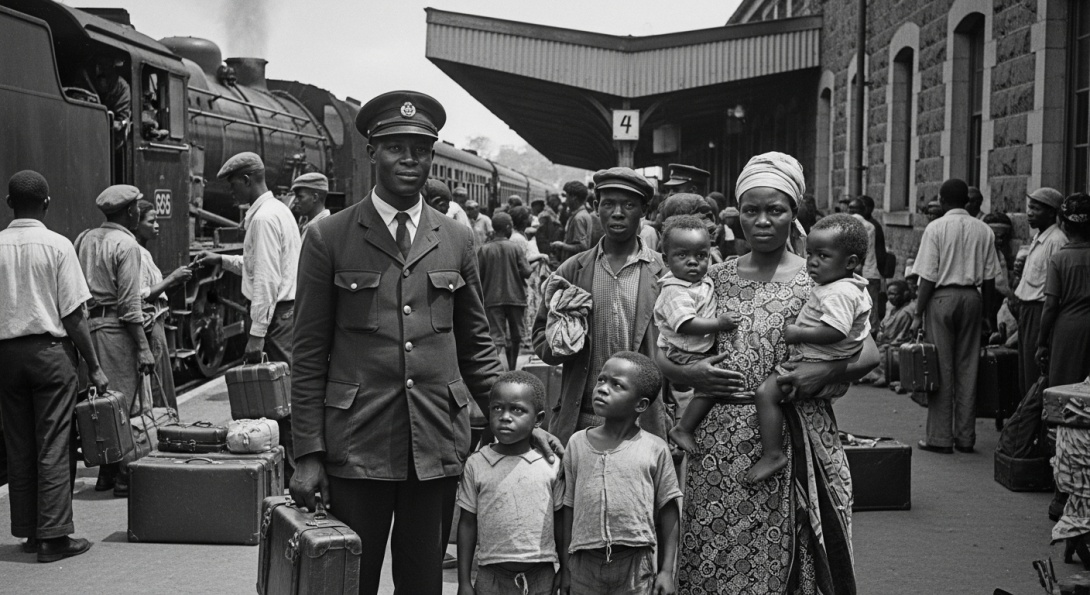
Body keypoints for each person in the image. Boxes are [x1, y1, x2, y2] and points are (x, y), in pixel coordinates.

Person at [288, 90, 556, 595]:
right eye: (395, 147)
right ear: (372, 152)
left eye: (420, 148)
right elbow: (306, 355)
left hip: (434, 442)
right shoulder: (329, 237)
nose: (409, 159)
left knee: (423, 581)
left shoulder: (456, 238)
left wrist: (520, 421)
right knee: (350, 580)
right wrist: (308, 453)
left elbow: (477, 345)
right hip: (356, 445)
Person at [656, 151, 877, 593]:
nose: (762, 221)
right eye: (751, 210)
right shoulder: (710, 277)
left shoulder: (822, 276)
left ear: (793, 213)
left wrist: (823, 372)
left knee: (794, 559)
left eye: (774, 210)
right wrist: (695, 372)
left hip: (797, 433)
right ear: (738, 216)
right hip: (719, 441)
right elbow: (662, 350)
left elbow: (870, 353)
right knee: (718, 553)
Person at [0, 170, 106, 562]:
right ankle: (55, 536)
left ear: (9, 204)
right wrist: (94, 365)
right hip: (49, 354)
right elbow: (75, 315)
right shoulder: (58, 246)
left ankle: (29, 532)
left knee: (19, 444)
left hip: (6, 358)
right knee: (54, 444)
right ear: (46, 203)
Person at [532, 167, 672, 445]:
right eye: (609, 203)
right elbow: (539, 340)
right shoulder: (573, 270)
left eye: (629, 205)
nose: (618, 212)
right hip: (583, 421)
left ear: (644, 209)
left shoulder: (664, 273)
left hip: (643, 425)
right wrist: (563, 340)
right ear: (596, 207)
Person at [559, 352, 681, 595]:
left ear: (641, 405)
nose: (602, 389)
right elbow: (568, 507)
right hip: (584, 564)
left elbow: (669, 509)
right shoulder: (577, 444)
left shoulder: (655, 448)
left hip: (635, 564)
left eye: (617, 385)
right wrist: (565, 568)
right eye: (601, 380)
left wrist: (667, 570)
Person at [76, 184, 156, 497]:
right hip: (116, 330)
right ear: (130, 211)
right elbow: (129, 306)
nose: (139, 210)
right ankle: (125, 477)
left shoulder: (84, 239)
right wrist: (144, 348)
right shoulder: (128, 245)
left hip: (89, 328)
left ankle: (105, 474)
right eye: (137, 206)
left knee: (101, 401)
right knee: (128, 404)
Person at [456, 371, 564, 595]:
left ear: (538, 419)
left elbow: (562, 521)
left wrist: (566, 569)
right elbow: (467, 524)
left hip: (541, 575)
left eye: (517, 410)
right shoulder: (477, 464)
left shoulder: (550, 465)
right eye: (497, 408)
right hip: (490, 577)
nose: (505, 416)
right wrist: (464, 581)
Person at [913, 178, 1000, 454]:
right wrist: (987, 314)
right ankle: (965, 436)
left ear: (942, 199)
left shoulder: (936, 228)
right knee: (968, 367)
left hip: (941, 297)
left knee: (941, 366)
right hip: (972, 297)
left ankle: (940, 437)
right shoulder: (984, 230)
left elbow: (928, 275)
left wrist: (918, 312)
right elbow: (989, 279)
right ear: (966, 200)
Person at [656, 215, 740, 449]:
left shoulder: (700, 282)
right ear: (666, 259)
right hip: (684, 350)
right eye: (682, 256)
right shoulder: (675, 290)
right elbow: (686, 324)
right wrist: (718, 324)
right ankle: (683, 429)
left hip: (694, 346)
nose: (693, 262)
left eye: (700, 256)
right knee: (710, 385)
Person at [132, 200, 191, 411]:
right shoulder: (137, 252)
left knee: (161, 381)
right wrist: (172, 279)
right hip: (151, 323)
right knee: (159, 383)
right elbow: (141, 295)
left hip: (156, 320)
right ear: (136, 224)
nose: (157, 225)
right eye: (151, 221)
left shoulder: (142, 251)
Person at [1014, 187, 1069, 394]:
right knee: (1025, 373)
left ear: (1051, 212)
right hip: (1027, 311)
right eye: (1030, 207)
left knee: (1034, 374)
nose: (1029, 213)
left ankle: (1035, 424)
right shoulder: (1039, 238)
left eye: (1035, 209)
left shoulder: (1056, 241)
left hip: (1040, 312)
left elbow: (1053, 291)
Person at [1037, 193, 1090, 388]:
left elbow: (1050, 306)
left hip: (1068, 331)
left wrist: (1042, 342)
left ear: (1064, 225)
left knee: (1065, 389)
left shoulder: (1059, 259)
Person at [478, 212, 532, 371]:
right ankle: (513, 368)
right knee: (515, 336)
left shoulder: (484, 249)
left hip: (492, 298)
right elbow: (527, 272)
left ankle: (495, 371)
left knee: (496, 337)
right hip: (515, 297)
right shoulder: (515, 247)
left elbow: (478, 275)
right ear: (508, 227)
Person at [863, 279, 917, 387]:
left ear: (904, 294)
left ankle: (884, 376)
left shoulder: (906, 311)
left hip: (898, 346)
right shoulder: (894, 309)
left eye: (894, 294)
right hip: (886, 342)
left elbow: (898, 336)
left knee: (881, 354)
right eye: (889, 294)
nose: (890, 297)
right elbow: (883, 326)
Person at [848, 197, 883, 328]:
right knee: (870, 308)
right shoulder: (870, 226)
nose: (851, 211)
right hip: (870, 273)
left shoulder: (848, 224)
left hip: (863, 272)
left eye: (853, 209)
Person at [550, 181, 594, 262]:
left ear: (574, 198)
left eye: (567, 197)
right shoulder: (584, 214)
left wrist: (562, 245)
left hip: (573, 267)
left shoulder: (579, 218)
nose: (565, 201)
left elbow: (582, 247)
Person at [290, 172, 331, 240]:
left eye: (300, 197)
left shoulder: (323, 229)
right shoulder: (305, 223)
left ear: (315, 197)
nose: (295, 201)